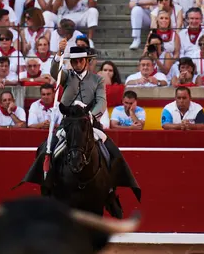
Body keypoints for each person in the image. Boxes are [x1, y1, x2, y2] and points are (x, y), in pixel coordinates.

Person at [22, 43, 141, 217]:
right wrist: (58, 54)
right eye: (74, 61)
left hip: (90, 122)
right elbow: (55, 73)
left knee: (112, 152)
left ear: (86, 61)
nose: (77, 64)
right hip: (68, 123)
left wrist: (92, 116)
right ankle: (47, 186)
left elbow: (101, 101)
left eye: (80, 61)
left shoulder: (97, 79)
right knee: (46, 149)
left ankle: (110, 192)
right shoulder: (67, 76)